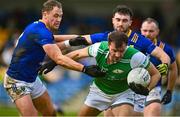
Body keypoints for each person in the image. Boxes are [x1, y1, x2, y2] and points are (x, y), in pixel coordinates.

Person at [38, 5, 170, 116]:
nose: (120, 23)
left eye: (124, 20)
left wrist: (165, 64)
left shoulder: (140, 42)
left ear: (130, 22)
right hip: (103, 86)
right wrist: (51, 44)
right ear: (113, 20)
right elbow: (80, 40)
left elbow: (163, 56)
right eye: (118, 20)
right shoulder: (104, 39)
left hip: (130, 88)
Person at [3, 0, 105, 116]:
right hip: (17, 81)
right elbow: (59, 58)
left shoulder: (39, 27)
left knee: (51, 113)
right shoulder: (41, 32)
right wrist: (85, 69)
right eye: (55, 16)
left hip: (32, 79)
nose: (59, 19)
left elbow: (53, 39)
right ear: (45, 14)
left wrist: (73, 41)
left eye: (60, 16)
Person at [65, 31, 161, 116]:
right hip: (99, 92)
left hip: (123, 94)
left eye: (121, 51)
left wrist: (147, 89)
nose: (118, 55)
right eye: (114, 50)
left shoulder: (136, 56)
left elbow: (156, 74)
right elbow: (73, 55)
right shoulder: (99, 48)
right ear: (108, 45)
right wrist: (83, 68)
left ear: (127, 46)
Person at [134, 17, 177, 116]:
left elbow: (173, 69)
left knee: (154, 109)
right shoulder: (132, 44)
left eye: (151, 31)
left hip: (153, 88)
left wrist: (169, 91)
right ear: (140, 30)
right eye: (145, 30)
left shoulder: (165, 49)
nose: (147, 34)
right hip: (129, 88)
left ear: (157, 31)